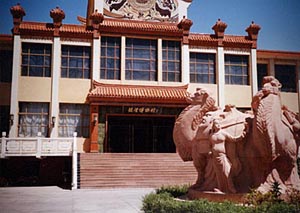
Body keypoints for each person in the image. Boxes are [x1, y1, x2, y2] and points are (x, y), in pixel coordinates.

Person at [209, 119, 246, 193]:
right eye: (216, 124)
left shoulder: (223, 133)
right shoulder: (211, 135)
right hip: (214, 157)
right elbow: (210, 145)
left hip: (222, 156)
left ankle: (231, 189)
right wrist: (210, 151)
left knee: (227, 172)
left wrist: (241, 136)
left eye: (219, 123)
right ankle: (221, 189)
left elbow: (233, 139)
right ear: (214, 125)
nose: (218, 125)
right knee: (218, 174)